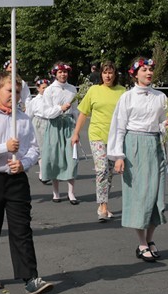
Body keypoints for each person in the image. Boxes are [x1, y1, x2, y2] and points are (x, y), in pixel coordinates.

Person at [0, 71, 53, 294]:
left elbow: (34, 149)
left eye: (17, 92)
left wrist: (24, 163)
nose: (13, 95)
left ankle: (30, 278)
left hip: (16, 180)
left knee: (22, 228)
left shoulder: (24, 120)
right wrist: (3, 147)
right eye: (9, 90)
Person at [107, 57, 168, 262]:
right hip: (134, 146)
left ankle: (150, 239)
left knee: (155, 195)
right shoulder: (127, 98)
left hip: (155, 146)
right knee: (140, 196)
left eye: (150, 70)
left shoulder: (161, 97)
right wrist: (118, 156)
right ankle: (141, 243)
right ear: (135, 73)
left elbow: (162, 123)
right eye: (144, 70)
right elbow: (119, 127)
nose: (148, 73)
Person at [71, 61, 125, 222]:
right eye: (105, 72)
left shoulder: (122, 92)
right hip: (97, 136)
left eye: (110, 72)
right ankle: (102, 206)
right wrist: (76, 133)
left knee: (109, 173)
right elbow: (83, 113)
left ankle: (105, 204)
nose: (107, 75)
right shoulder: (94, 90)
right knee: (102, 170)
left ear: (115, 74)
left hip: (115, 138)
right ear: (100, 74)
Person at [36, 62, 79, 203]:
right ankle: (56, 192)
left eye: (65, 72)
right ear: (55, 74)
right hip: (54, 125)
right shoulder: (49, 90)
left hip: (68, 125)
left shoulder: (72, 89)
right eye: (60, 72)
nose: (63, 74)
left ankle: (71, 192)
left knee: (71, 158)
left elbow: (75, 111)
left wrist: (77, 129)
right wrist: (60, 108)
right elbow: (46, 112)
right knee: (55, 157)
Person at [26, 78, 51, 185]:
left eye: (47, 88)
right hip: (39, 123)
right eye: (43, 88)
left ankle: (49, 170)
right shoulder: (35, 101)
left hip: (50, 122)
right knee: (41, 148)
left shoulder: (51, 99)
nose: (45, 90)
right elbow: (28, 114)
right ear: (38, 89)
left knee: (50, 147)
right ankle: (42, 172)